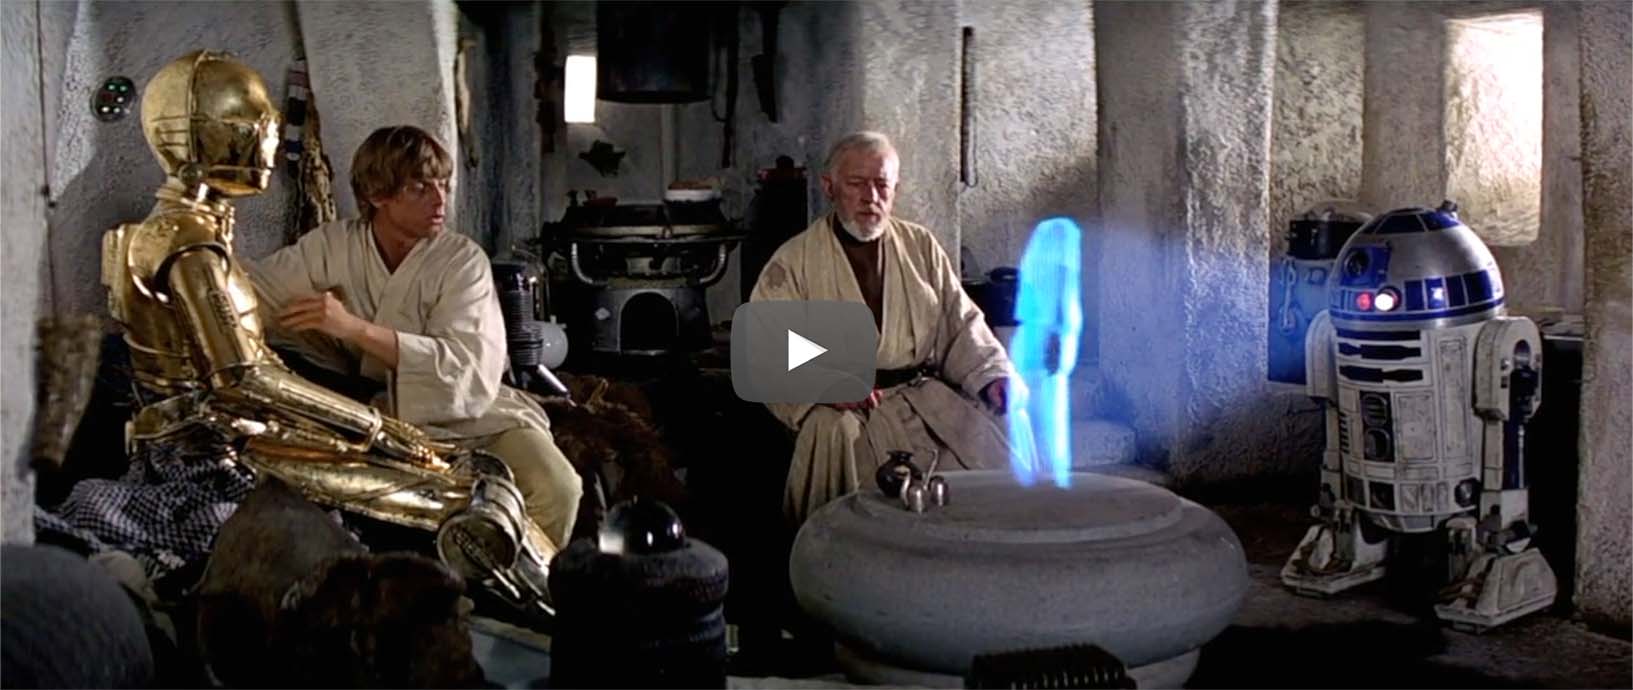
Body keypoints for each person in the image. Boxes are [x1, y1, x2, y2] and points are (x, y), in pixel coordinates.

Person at [248, 125, 582, 549]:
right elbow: (254, 292)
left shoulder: (462, 263)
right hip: (371, 416)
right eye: (419, 188)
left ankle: (518, 586)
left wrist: (353, 328)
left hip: (475, 414)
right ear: (377, 195)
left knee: (557, 487)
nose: (439, 200)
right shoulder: (332, 248)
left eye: (443, 184)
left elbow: (467, 367)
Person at [750, 131, 1035, 524]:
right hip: (850, 416)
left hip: (920, 399)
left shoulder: (920, 247)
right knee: (860, 505)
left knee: (1004, 439)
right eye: (856, 183)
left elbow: (960, 322)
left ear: (895, 190)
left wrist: (992, 376)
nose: (871, 197)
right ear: (830, 187)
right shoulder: (795, 260)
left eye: (882, 185)